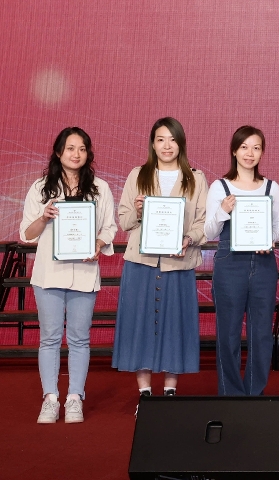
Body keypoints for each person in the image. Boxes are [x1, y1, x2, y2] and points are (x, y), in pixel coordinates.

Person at [19, 127, 117, 424]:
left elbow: (109, 228)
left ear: (88, 154)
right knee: (49, 339)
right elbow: (26, 234)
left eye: (82, 148)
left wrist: (98, 244)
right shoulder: (41, 188)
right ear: (58, 152)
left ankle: (75, 398)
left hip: (84, 273)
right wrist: (44, 216)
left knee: (79, 339)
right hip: (49, 275)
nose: (76, 154)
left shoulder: (100, 188)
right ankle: (50, 398)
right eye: (71, 148)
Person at [114, 117, 208, 407]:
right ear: (152, 144)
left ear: (181, 144)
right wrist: (138, 212)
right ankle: (145, 395)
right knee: (139, 325)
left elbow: (203, 223)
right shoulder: (137, 175)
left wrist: (188, 239)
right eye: (160, 139)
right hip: (141, 263)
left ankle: (169, 393)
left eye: (173, 139)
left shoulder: (196, 178)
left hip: (178, 264)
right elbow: (123, 221)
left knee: (174, 327)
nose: (167, 146)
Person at [205, 126, 279, 396]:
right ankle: (230, 394)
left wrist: (268, 240)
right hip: (230, 264)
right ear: (234, 150)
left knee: (261, 333)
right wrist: (222, 210)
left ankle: (254, 393)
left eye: (256, 148)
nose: (250, 153)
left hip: (263, 264)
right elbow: (209, 232)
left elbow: (278, 228)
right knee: (228, 332)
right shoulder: (220, 187)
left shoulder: (272, 188)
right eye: (244, 147)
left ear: (262, 152)